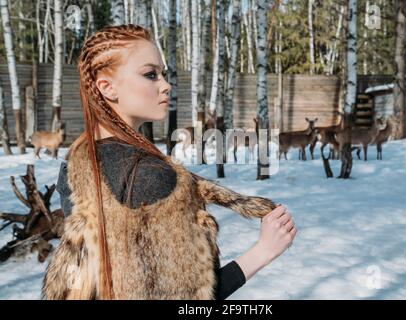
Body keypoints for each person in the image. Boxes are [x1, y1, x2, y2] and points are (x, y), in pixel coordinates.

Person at [42, 24, 297, 300]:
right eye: (150, 74)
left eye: (163, 73)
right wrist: (265, 250)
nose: (166, 85)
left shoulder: (78, 163)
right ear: (107, 87)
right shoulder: (152, 176)